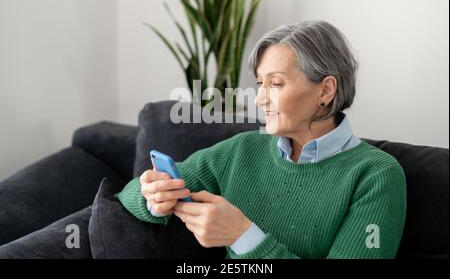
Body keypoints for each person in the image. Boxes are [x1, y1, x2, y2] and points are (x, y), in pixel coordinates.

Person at [117, 20, 407, 259]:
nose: (259, 99)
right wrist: (155, 199)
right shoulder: (243, 149)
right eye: (260, 83)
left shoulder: (376, 176)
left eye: (276, 84)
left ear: (326, 90)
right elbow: (127, 197)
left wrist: (243, 236)